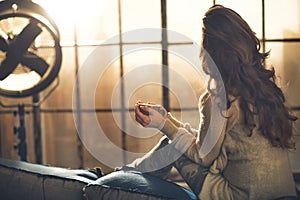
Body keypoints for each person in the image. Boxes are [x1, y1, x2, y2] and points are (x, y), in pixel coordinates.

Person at [128, 4, 299, 200]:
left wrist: (162, 124)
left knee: (171, 144)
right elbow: (206, 142)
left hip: (236, 196)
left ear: (213, 53)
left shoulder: (220, 100)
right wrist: (167, 120)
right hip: (284, 193)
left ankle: (124, 180)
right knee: (175, 139)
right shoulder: (265, 91)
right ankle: (126, 176)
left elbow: (204, 155)